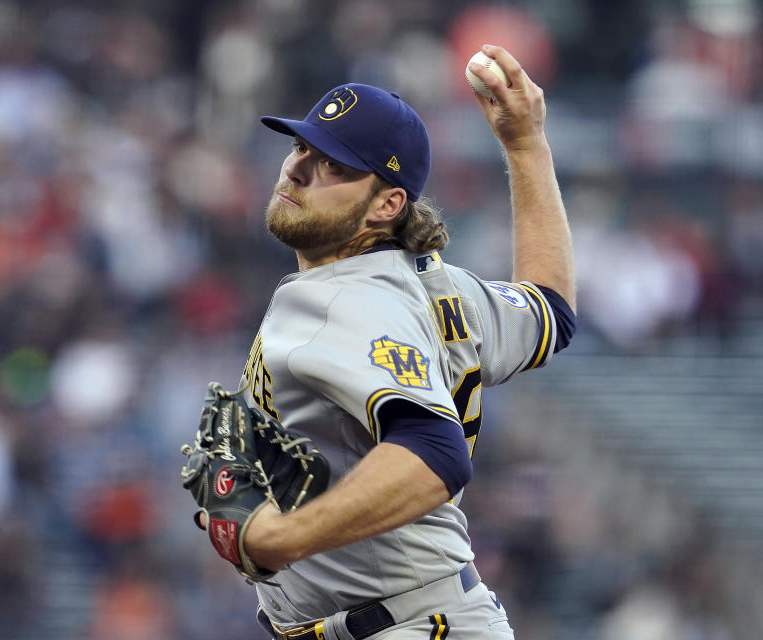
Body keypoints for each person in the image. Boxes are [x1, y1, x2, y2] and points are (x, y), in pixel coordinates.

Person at [209, 44, 576, 640]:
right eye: (301, 146)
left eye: (334, 165)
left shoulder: (343, 297)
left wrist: (282, 537)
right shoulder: (437, 286)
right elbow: (551, 309)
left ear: (387, 203)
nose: (297, 168)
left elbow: (436, 453)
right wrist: (526, 146)